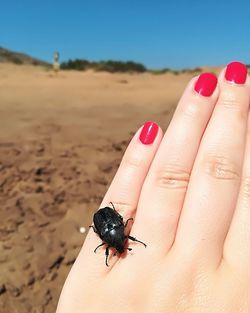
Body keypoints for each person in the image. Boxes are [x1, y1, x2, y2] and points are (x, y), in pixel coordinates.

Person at [56, 61, 250, 312]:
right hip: (107, 222)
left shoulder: (114, 234)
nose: (121, 247)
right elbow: (111, 227)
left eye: (119, 246)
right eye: (119, 247)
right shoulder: (115, 233)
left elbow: (109, 227)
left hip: (106, 222)